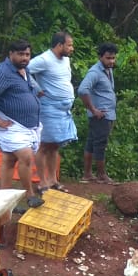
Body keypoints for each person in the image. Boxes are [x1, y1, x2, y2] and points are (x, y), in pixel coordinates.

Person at [0, 40, 44, 210]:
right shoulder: (2, 72)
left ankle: (3, 202)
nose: (24, 58)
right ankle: (30, 195)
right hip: (10, 124)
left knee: (9, 159)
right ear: (11, 54)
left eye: (27, 54)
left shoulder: (24, 70)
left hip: (26, 125)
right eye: (20, 54)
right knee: (26, 157)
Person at [27, 31, 77, 192]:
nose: (72, 48)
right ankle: (42, 182)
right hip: (49, 107)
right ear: (59, 45)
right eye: (69, 45)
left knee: (55, 146)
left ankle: (53, 180)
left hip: (63, 109)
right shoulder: (44, 59)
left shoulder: (66, 60)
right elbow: (25, 70)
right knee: (44, 145)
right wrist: (36, 87)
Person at [77, 42, 119, 184]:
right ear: (101, 57)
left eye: (113, 58)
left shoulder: (108, 70)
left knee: (91, 143)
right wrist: (93, 109)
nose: (111, 61)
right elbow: (83, 90)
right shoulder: (95, 72)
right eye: (108, 58)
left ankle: (87, 174)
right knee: (100, 144)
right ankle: (101, 175)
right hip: (100, 116)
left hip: (106, 115)